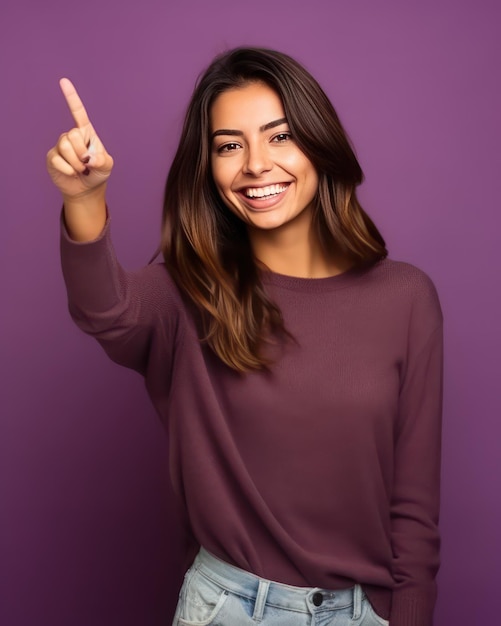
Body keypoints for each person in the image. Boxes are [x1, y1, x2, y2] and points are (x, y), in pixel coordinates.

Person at [47, 47, 443, 626]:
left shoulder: (407, 297)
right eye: (230, 145)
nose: (256, 164)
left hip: (365, 614)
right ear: (208, 166)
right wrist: (83, 199)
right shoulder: (188, 292)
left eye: (279, 136)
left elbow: (413, 509)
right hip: (232, 609)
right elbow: (106, 310)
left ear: (319, 142)